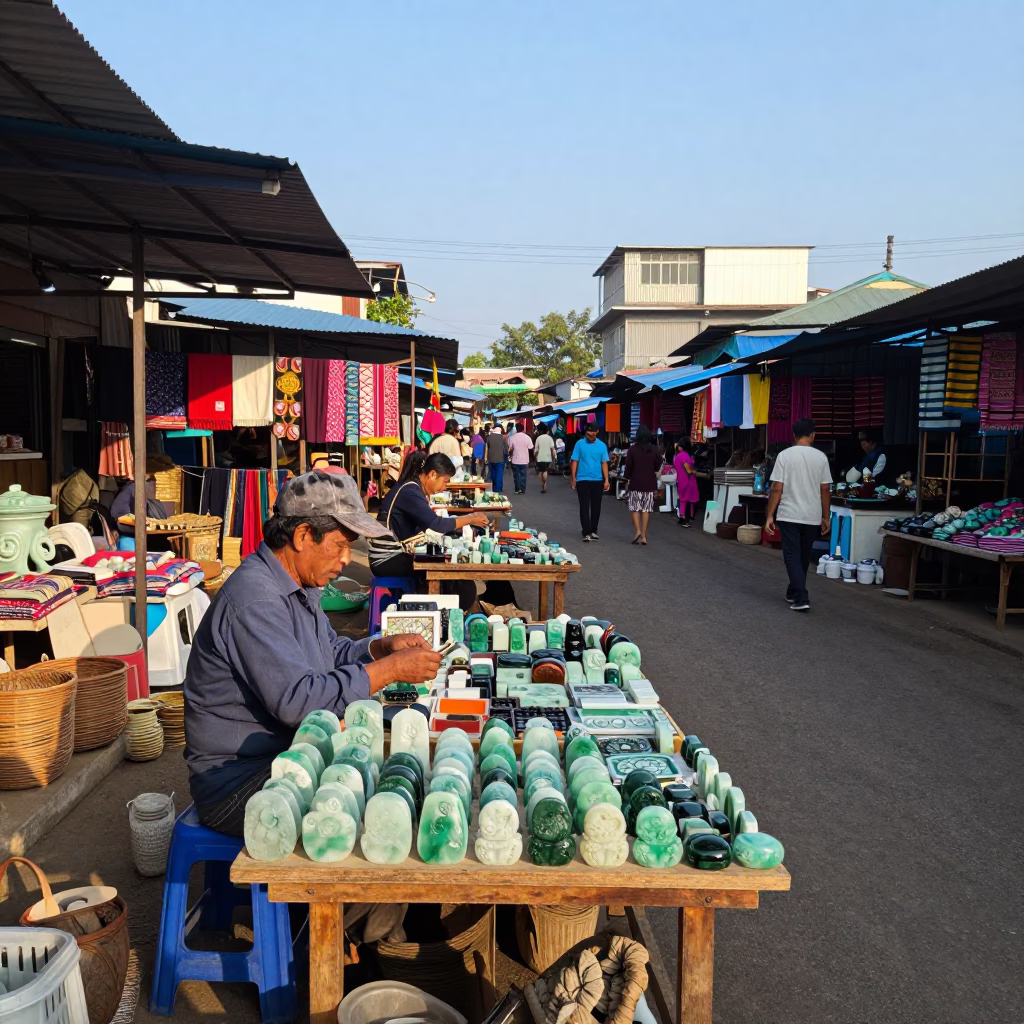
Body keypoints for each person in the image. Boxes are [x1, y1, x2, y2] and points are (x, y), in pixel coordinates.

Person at [183, 471, 442, 836]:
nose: (347, 558)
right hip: (238, 781)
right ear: (303, 536)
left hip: (282, 755)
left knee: (399, 776)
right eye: (339, 545)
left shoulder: (295, 584)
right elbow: (299, 702)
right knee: (372, 811)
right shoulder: (256, 600)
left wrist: (378, 647)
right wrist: (389, 669)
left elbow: (327, 653)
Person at [370, 450, 490, 610]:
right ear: (432, 474)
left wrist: (456, 529)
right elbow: (436, 524)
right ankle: (434, 614)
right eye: (444, 481)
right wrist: (471, 518)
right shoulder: (410, 491)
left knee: (444, 563)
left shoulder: (411, 488)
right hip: (386, 559)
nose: (444, 487)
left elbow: (428, 525)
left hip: (393, 554)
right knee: (445, 571)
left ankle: (435, 611)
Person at [764, 418, 833, 612]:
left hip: (789, 514)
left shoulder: (785, 456)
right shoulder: (821, 457)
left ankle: (801, 597)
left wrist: (770, 514)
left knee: (793, 555)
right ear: (813, 435)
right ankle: (793, 590)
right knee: (802, 555)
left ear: (793, 436)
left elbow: (777, 488)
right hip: (812, 515)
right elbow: (825, 489)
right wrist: (826, 516)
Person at [624, 425, 663, 545]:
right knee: (646, 509)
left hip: (635, 482)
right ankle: (644, 536)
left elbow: (629, 467)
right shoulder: (655, 450)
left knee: (635, 508)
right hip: (649, 483)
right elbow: (657, 467)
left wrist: (626, 477)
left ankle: (638, 531)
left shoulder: (632, 449)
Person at [570, 423, 610, 541]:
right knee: (584, 506)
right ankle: (586, 532)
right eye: (588, 432)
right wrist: (573, 478)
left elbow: (604, 463)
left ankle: (594, 530)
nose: (591, 434)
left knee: (596, 507)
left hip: (597, 480)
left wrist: (606, 479)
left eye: (593, 432)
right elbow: (575, 461)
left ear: (597, 432)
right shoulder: (579, 444)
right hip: (582, 480)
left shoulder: (602, 446)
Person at [674, 439, 699, 527]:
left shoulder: (677, 456)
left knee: (682, 499)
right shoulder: (685, 456)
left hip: (680, 480)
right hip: (687, 480)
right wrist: (694, 471)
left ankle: (681, 518)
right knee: (688, 500)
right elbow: (688, 470)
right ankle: (686, 520)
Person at [508, 421, 534, 494]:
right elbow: (531, 447)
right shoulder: (527, 437)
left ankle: (517, 489)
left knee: (516, 475)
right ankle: (523, 489)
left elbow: (510, 448)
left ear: (516, 429)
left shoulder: (512, 438)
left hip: (515, 459)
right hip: (525, 460)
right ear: (523, 429)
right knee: (523, 475)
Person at [485, 423, 508, 493]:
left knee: (493, 475)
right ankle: (498, 490)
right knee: (499, 475)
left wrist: (485, 458)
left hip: (491, 459)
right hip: (500, 459)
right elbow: (506, 449)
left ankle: (494, 489)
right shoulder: (502, 438)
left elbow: (486, 448)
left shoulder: (489, 437)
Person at [534, 423, 557, 493]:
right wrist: (555, 457)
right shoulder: (550, 438)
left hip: (540, 458)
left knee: (540, 471)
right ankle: (545, 483)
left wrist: (535, 457)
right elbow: (553, 449)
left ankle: (543, 483)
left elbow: (536, 450)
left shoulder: (538, 438)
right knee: (545, 470)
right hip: (547, 457)